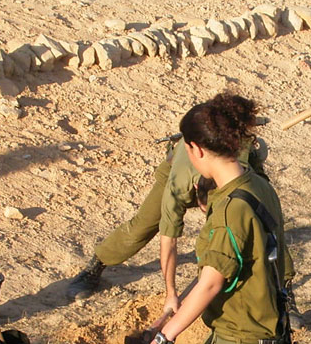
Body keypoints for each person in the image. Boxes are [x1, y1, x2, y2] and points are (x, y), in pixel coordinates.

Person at [141, 93, 294, 344]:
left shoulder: (230, 208)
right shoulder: (255, 185)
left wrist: (166, 334)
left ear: (196, 149)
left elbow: (211, 282)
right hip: (225, 343)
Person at [65, 126, 268, 311]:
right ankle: (98, 263)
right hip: (178, 169)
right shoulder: (179, 184)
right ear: (196, 189)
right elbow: (168, 240)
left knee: (264, 227)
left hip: (234, 173)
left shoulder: (240, 177)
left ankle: (283, 294)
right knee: (143, 226)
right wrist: (171, 293)